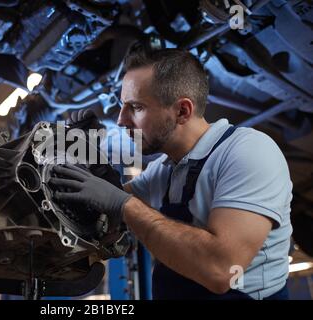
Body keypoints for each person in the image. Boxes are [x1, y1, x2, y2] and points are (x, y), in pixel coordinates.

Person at [48, 48, 293, 300]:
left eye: (136, 107)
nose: (121, 121)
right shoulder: (164, 169)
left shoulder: (247, 151)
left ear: (182, 111)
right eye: (123, 106)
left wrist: (124, 205)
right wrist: (90, 157)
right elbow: (107, 207)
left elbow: (221, 270)